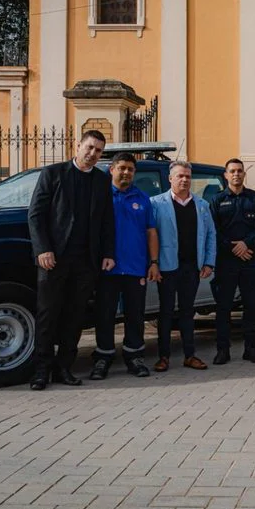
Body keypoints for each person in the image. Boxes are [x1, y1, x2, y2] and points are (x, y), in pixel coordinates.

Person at [27, 130, 115, 390]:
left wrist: (108, 253)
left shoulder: (101, 181)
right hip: (53, 259)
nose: (92, 154)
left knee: (75, 316)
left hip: (86, 261)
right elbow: (36, 215)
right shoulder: (53, 174)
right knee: (47, 315)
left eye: (98, 151)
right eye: (89, 147)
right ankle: (41, 371)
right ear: (78, 146)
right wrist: (42, 249)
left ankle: (63, 368)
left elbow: (107, 221)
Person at [90, 152, 160, 380]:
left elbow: (151, 232)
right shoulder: (100, 197)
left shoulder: (143, 198)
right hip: (106, 268)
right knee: (105, 315)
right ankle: (103, 357)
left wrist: (153, 263)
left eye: (130, 169)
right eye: (122, 168)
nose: (126, 173)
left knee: (135, 315)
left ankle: (134, 356)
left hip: (135, 268)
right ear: (111, 169)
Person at [150, 161, 217, 372]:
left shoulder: (202, 206)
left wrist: (208, 261)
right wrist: (153, 264)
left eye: (188, 176)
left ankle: (190, 355)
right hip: (167, 267)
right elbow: (150, 236)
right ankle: (164, 357)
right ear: (170, 179)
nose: (184, 180)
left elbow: (211, 236)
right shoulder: (156, 204)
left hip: (191, 268)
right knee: (166, 312)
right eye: (180, 176)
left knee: (188, 312)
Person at [209, 158, 255, 365]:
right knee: (224, 307)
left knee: (252, 306)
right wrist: (233, 247)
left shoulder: (253, 199)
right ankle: (222, 350)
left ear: (244, 175)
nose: (236, 174)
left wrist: (246, 243)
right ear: (226, 175)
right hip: (226, 262)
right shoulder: (216, 200)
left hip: (249, 261)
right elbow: (213, 231)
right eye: (232, 171)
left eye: (240, 171)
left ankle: (251, 349)